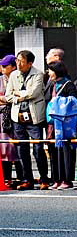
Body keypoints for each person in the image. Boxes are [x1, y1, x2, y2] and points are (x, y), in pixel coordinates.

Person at [5, 50, 49, 190]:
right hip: (17, 117)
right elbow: (8, 95)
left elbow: (33, 93)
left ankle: (44, 179)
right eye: (17, 60)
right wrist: (19, 97)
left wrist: (18, 94)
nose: (18, 64)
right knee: (22, 149)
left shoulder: (38, 74)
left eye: (21, 61)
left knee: (38, 149)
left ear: (30, 63)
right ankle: (27, 179)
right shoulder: (14, 74)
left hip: (34, 117)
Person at [44, 61, 77, 190]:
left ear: (57, 71)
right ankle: (57, 179)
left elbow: (75, 101)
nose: (49, 73)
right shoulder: (51, 84)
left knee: (66, 151)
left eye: (51, 70)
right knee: (54, 151)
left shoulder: (68, 84)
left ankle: (67, 179)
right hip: (52, 124)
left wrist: (59, 101)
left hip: (65, 124)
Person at [0, 55, 23, 187]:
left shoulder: (19, 78)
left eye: (5, 66)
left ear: (13, 67)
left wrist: (6, 98)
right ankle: (7, 177)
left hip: (17, 115)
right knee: (4, 147)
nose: (2, 68)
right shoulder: (0, 80)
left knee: (18, 145)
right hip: (3, 118)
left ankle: (22, 177)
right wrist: (9, 98)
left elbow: (21, 96)